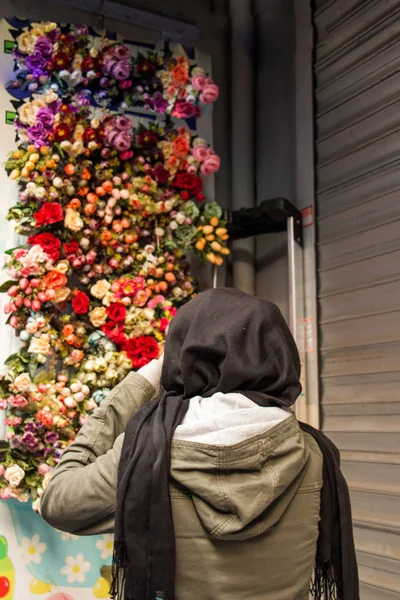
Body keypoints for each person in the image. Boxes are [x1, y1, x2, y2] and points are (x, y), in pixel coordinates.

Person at [40, 288, 358, 600]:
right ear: (281, 356)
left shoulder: (147, 453)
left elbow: (58, 503)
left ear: (183, 358)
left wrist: (145, 378)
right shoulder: (316, 455)